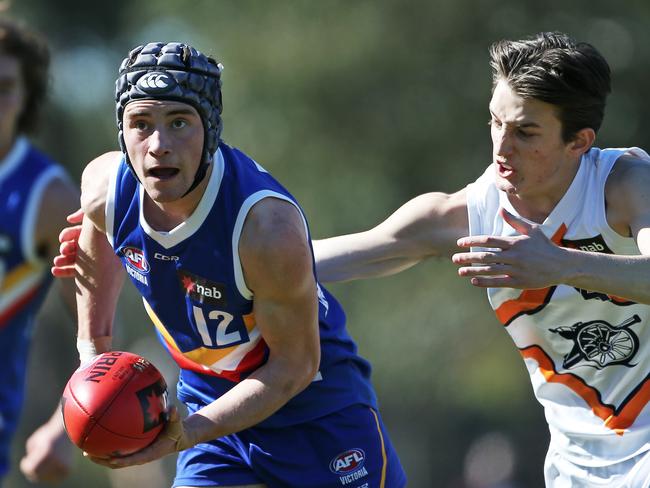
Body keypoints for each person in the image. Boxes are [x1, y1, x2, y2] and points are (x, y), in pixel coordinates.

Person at [53, 32, 650, 486]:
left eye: (525, 132)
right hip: (578, 452)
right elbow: (370, 249)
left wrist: (561, 265)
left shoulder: (626, 186)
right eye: (495, 122)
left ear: (580, 142)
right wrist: (223, 266)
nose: (499, 146)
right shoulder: (471, 211)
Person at [71, 41, 406, 488]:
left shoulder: (265, 227)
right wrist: (93, 351)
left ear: (210, 127)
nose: (158, 145)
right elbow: (99, 229)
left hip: (316, 413)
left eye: (178, 122)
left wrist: (190, 431)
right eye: (141, 123)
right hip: (211, 406)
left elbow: (294, 368)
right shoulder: (104, 192)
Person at [0, 17, 79, 484]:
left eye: (5, 86)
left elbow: (100, 334)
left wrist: (63, 426)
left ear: (27, 96)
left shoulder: (47, 198)